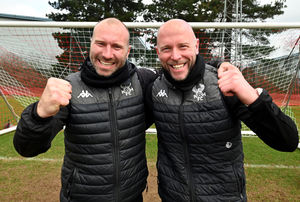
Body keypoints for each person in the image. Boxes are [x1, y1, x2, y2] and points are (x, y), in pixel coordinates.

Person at [146, 19, 299, 201]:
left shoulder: (223, 84)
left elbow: (288, 141)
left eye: (183, 46)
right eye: (166, 49)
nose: (175, 55)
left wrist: (253, 97)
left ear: (196, 46)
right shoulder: (154, 89)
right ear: (158, 52)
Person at [13, 18, 157, 202]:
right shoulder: (69, 87)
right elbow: (26, 148)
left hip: (132, 196)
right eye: (100, 44)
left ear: (128, 51)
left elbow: (179, 77)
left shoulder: (141, 81)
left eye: (116, 47)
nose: (107, 54)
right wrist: (39, 114)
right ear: (90, 45)